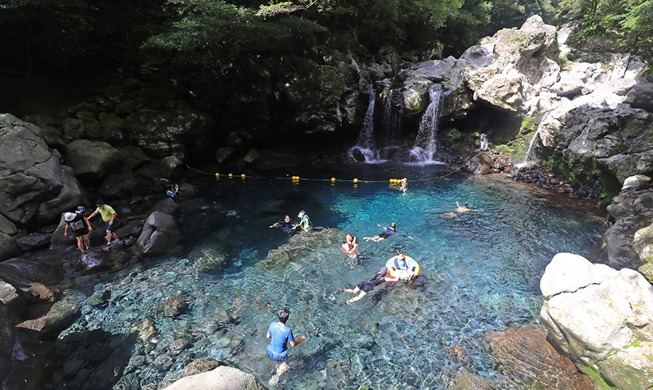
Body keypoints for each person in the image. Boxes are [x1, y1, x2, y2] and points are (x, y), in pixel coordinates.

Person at [266, 308, 306, 384]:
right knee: (286, 365)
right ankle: (276, 377)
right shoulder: (288, 330)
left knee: (276, 358)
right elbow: (293, 344)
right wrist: (300, 339)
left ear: (278, 316)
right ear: (287, 318)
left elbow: (268, 336)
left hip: (270, 351)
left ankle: (275, 367)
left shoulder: (272, 324)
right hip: (280, 355)